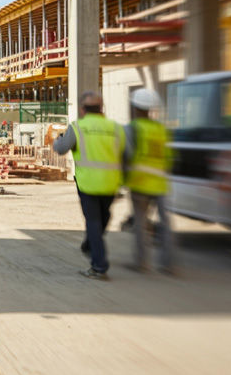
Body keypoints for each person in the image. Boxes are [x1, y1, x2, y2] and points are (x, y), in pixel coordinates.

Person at [53, 91, 124, 280]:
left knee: (94, 222)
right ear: (101, 109)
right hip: (111, 183)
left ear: (83, 110)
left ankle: (99, 266)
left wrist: (57, 140)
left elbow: (61, 149)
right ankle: (90, 245)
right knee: (103, 218)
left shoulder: (78, 128)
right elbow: (127, 154)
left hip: (88, 184)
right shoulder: (116, 128)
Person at [124, 89, 175, 273]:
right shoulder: (161, 129)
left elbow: (126, 155)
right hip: (160, 183)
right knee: (166, 224)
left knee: (140, 224)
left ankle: (142, 263)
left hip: (140, 182)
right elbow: (169, 158)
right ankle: (169, 264)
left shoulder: (132, 128)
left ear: (136, 108)